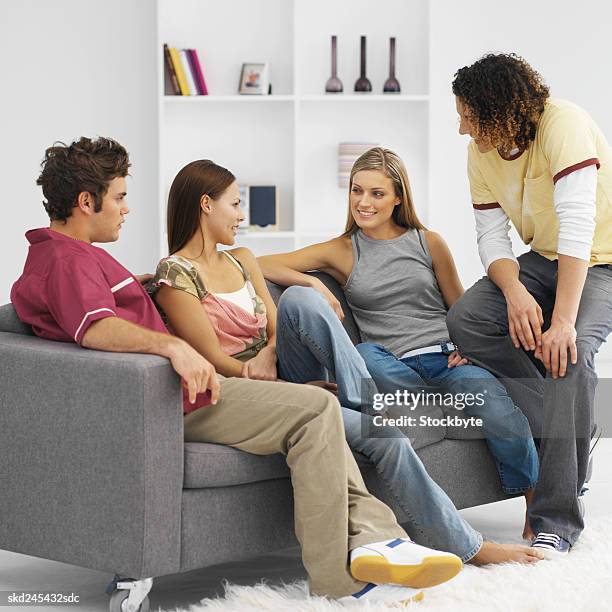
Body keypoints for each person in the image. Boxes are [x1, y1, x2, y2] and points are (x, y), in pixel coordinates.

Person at [10, 136, 467, 606]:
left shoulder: (73, 256)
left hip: (180, 395)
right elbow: (96, 328)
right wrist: (172, 346)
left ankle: (372, 545)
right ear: (87, 201)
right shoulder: (66, 258)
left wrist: (141, 291)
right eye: (120, 196)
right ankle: (348, 568)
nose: (127, 209)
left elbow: (96, 312)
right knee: (314, 410)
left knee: (317, 412)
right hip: (170, 402)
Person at [150, 157, 543, 567]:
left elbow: (273, 325)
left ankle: (523, 502)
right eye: (234, 204)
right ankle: (466, 546)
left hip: (393, 363)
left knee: (304, 302)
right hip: (302, 383)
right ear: (206, 205)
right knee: (371, 382)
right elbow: (213, 356)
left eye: (376, 193)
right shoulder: (178, 274)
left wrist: (292, 314)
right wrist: (313, 282)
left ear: (397, 198)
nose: (242, 214)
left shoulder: (243, 258)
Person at [447, 52, 612, 557]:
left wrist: (561, 322)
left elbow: (579, 230)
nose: (461, 129)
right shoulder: (483, 150)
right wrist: (515, 291)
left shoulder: (566, 126)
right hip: (540, 259)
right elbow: (492, 239)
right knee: (468, 319)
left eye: (468, 117)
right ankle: (575, 420)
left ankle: (556, 522)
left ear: (499, 111)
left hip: (600, 260)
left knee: (569, 356)